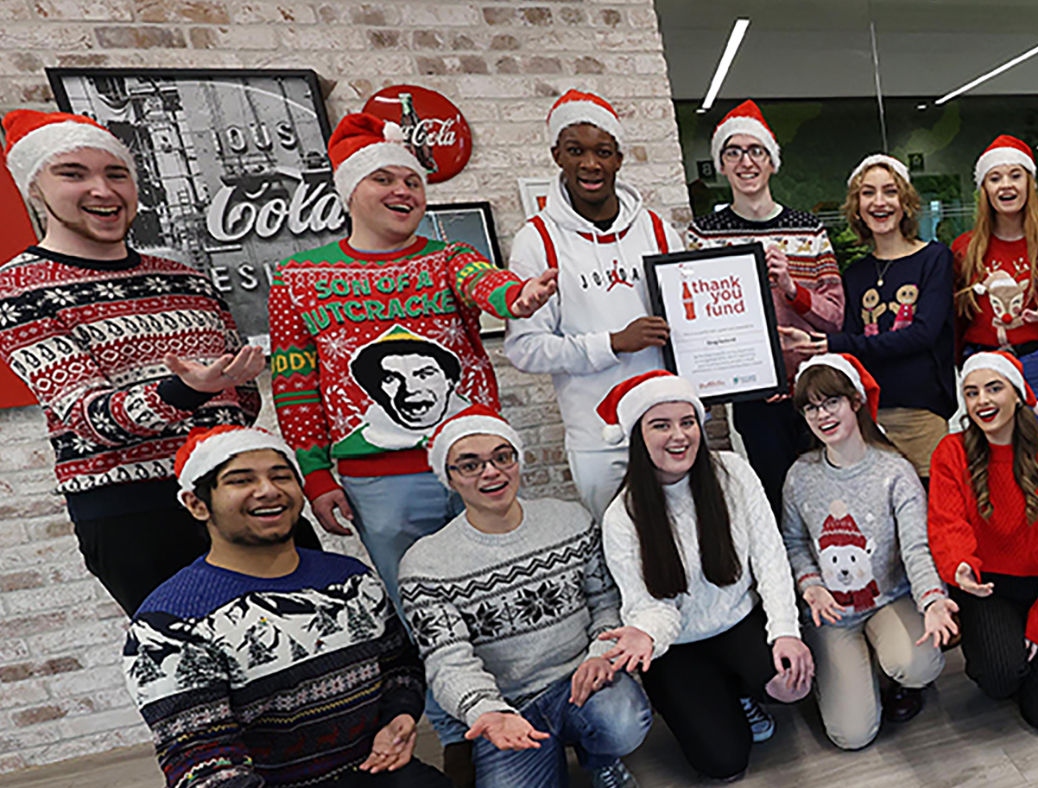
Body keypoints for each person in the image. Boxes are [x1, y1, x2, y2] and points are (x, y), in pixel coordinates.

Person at [0, 109, 304, 618]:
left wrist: (216, 392)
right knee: (194, 660)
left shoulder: (184, 276)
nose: (103, 190)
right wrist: (189, 393)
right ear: (34, 188)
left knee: (320, 637)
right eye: (73, 174)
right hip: (135, 510)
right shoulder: (16, 289)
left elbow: (239, 395)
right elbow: (87, 417)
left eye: (116, 173)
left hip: (242, 491)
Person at [269, 111, 556, 610]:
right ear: (349, 190)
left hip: (476, 461)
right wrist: (315, 475)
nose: (403, 190)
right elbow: (295, 384)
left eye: (412, 180)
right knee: (421, 606)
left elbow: (486, 283)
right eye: (384, 178)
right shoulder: (298, 277)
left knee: (504, 592)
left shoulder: (448, 257)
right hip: (381, 481)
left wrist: (519, 296)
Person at [122, 425, 461, 788]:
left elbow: (399, 665)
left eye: (281, 476)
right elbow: (199, 758)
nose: (268, 490)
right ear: (197, 504)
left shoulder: (349, 578)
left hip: (376, 773)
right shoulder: (169, 622)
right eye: (241, 480)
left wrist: (399, 714)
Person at [398, 405, 652, 788]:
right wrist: (488, 712)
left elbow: (607, 603)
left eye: (502, 457)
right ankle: (541, 754)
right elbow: (447, 660)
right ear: (448, 478)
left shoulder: (570, 520)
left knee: (622, 722)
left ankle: (600, 759)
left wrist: (599, 655)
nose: (491, 472)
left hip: (581, 680)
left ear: (517, 459)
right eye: (470, 465)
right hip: (507, 705)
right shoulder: (425, 564)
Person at [596, 371, 813, 782]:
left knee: (790, 686)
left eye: (687, 421)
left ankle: (744, 690)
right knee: (723, 763)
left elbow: (770, 555)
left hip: (738, 620)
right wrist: (645, 633)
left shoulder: (732, 473)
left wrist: (786, 630)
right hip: (677, 645)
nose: (679, 435)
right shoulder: (622, 515)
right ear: (638, 436)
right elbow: (647, 605)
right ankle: (725, 697)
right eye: (661, 425)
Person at [504, 89, 683, 523]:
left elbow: (689, 323)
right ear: (556, 156)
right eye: (575, 151)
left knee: (687, 539)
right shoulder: (537, 240)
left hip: (669, 426)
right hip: (600, 437)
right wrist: (614, 342)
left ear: (619, 159)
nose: (590, 164)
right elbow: (524, 348)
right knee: (618, 548)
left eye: (603, 152)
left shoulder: (655, 229)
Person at [781, 353, 957, 750]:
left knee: (919, 665)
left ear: (855, 402)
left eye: (831, 402)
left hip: (888, 600)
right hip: (832, 613)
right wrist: (811, 586)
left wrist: (932, 599)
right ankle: (844, 675)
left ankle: (883, 667)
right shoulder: (800, 476)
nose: (821, 414)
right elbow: (792, 543)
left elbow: (916, 546)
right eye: (811, 406)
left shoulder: (895, 472)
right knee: (852, 734)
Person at [687, 99, 844, 521]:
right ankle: (793, 584)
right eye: (733, 151)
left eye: (756, 150)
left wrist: (792, 287)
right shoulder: (704, 235)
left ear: (772, 162)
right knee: (774, 497)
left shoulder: (809, 229)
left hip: (814, 387)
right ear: (720, 164)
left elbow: (835, 316)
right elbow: (698, 323)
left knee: (827, 493)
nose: (746, 161)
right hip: (756, 397)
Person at [928, 351, 1038, 732]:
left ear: (1017, 394)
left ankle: (1023, 654)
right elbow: (947, 523)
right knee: (1001, 678)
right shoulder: (951, 453)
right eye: (971, 392)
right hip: (986, 588)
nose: (982, 400)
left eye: (993, 388)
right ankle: (1003, 656)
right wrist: (960, 566)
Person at [780, 154, 955, 486]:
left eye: (890, 191)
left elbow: (923, 334)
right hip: (867, 417)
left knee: (930, 513)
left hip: (921, 415)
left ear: (906, 202)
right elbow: (850, 344)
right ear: (857, 207)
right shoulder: (856, 274)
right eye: (868, 193)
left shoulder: (934, 258)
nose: (879, 202)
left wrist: (838, 343)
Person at [953, 135, 1038, 443]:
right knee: (989, 462)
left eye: (1015, 175)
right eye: (995, 178)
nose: (1006, 185)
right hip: (981, 365)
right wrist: (959, 364)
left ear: (1030, 184)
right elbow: (956, 317)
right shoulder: (965, 248)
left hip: (1034, 363)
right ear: (985, 190)